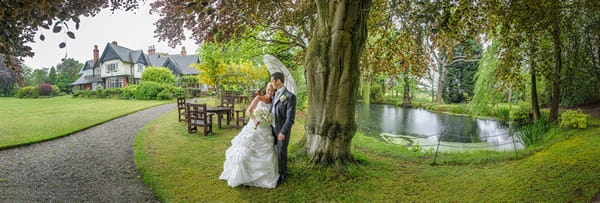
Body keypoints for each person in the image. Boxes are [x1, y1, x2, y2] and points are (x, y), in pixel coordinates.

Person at [219, 83, 279, 188]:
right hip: (255, 127)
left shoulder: (273, 101)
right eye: (269, 90)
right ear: (266, 89)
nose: (270, 92)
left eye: (273, 90)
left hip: (266, 129)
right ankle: (242, 175)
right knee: (247, 148)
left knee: (266, 151)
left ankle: (264, 177)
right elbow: (249, 111)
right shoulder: (259, 97)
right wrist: (255, 120)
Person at [270, 72, 296, 185]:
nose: (271, 83)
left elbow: (290, 118)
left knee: (281, 151)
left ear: (278, 81)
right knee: (273, 150)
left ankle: (282, 173)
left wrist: (283, 132)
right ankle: (275, 169)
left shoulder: (290, 96)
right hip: (272, 128)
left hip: (281, 130)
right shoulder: (275, 94)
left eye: (272, 81)